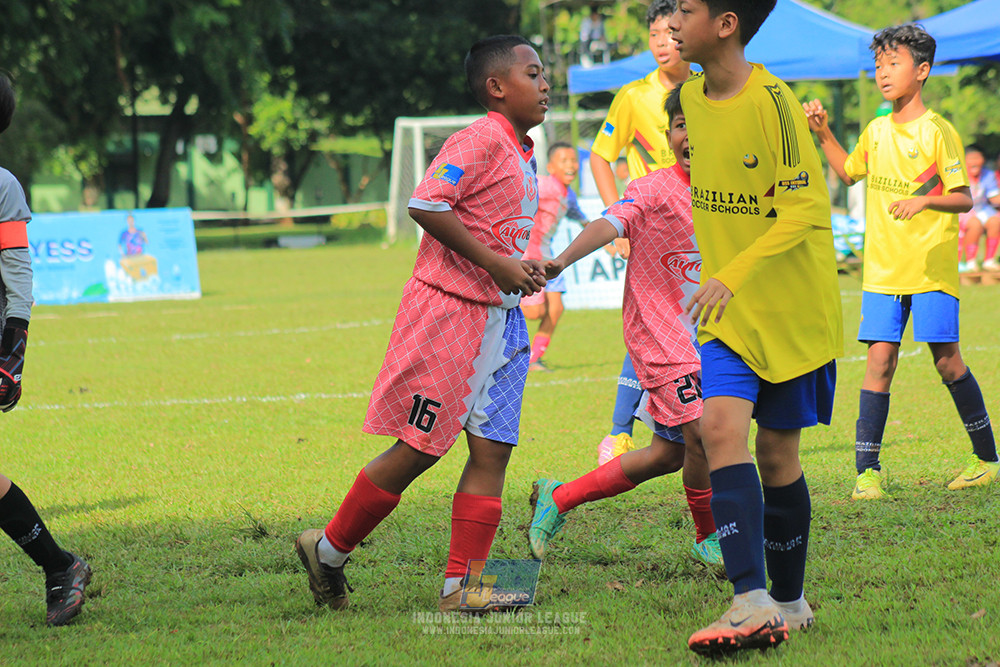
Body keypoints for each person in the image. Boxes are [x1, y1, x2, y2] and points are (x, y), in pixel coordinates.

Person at [294, 35, 549, 614]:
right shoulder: (479, 138)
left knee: (492, 453)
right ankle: (328, 551)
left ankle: (462, 588)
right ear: (496, 86)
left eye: (544, 75)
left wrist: (516, 264)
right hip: (450, 318)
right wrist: (493, 263)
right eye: (533, 73)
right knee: (419, 449)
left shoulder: (522, 149)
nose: (545, 84)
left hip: (504, 326)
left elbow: (492, 232)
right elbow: (426, 202)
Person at [671, 0, 843, 654]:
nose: (671, 24)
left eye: (684, 11)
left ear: (726, 23)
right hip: (729, 316)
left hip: (791, 307)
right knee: (719, 429)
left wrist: (732, 271)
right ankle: (748, 596)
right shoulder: (689, 93)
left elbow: (802, 207)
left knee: (777, 455)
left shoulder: (775, 102)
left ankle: (790, 600)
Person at [528, 85, 722, 567]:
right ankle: (708, 535)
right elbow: (609, 223)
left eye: (701, 125)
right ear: (670, 133)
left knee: (667, 454)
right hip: (658, 332)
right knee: (701, 431)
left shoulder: (730, 193)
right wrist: (563, 259)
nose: (690, 136)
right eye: (681, 126)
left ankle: (559, 497)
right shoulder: (653, 189)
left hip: (708, 336)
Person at [804, 25, 996, 500]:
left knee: (948, 363)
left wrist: (924, 202)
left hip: (930, 271)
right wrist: (823, 132)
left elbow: (964, 198)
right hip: (882, 272)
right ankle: (866, 473)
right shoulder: (875, 131)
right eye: (878, 66)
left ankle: (986, 459)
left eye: (893, 64)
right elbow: (848, 172)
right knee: (879, 363)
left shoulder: (938, 132)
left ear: (922, 70)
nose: (883, 73)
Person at [0, 72, 92, 627]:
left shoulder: (2, 186)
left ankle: (61, 568)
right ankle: (62, 566)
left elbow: (17, 272)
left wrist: (13, 353)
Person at [589, 0, 692, 466]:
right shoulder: (633, 96)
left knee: (683, 329)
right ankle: (620, 431)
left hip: (698, 229)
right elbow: (600, 156)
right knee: (652, 324)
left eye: (670, 33)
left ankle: (673, 422)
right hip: (650, 229)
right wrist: (618, 220)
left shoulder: (707, 90)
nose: (661, 44)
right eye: (653, 36)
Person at [521, 142, 588, 372]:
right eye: (564, 161)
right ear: (551, 167)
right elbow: (525, 188)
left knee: (556, 308)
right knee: (535, 312)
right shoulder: (544, 185)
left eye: (573, 161)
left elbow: (578, 215)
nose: (571, 166)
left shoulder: (568, 194)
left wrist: (609, 241)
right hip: (528, 258)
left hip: (549, 259)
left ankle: (533, 359)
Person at [957, 145, 1000, 272]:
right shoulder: (958, 174)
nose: (974, 162)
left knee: (995, 221)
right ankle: (970, 261)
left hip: (982, 208)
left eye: (978, 158)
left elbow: (994, 197)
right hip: (963, 208)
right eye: (971, 158)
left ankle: (989, 260)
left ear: (983, 160)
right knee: (974, 224)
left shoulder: (988, 175)